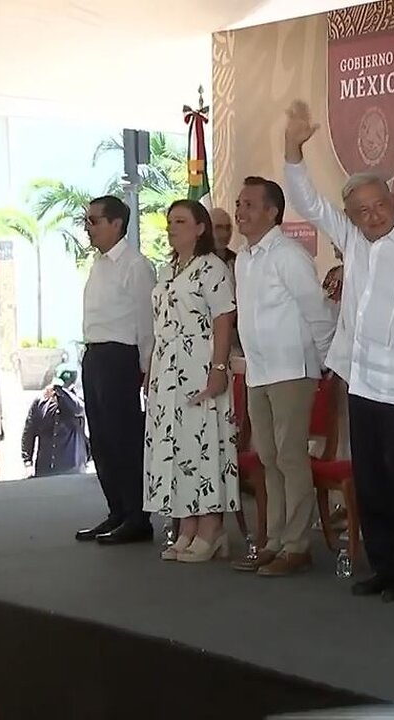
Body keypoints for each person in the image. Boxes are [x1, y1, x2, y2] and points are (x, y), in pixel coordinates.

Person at [283, 100, 394, 602]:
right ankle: (384, 565)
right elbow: (309, 202)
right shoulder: (354, 240)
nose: (371, 216)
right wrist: (293, 149)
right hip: (362, 382)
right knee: (373, 482)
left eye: (378, 206)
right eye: (360, 212)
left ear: (393, 198)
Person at [229, 176, 336, 577]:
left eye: (250, 205)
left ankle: (296, 545)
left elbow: (316, 310)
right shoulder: (243, 257)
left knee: (290, 458)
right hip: (260, 371)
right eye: (239, 204)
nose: (241, 212)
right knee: (269, 458)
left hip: (292, 369)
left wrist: (326, 360)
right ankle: (273, 541)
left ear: (273, 211)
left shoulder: (289, 255)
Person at [144, 199, 240, 563]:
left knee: (203, 443)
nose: (172, 227)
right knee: (177, 446)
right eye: (169, 221)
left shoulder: (211, 267)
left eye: (181, 221)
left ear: (200, 228)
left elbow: (223, 319)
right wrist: (152, 369)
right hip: (167, 370)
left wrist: (218, 369)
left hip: (199, 365)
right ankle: (186, 524)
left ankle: (211, 527)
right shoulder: (167, 270)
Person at [75, 195, 157, 545]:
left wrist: (145, 367)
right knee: (102, 440)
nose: (88, 228)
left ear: (116, 224)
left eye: (94, 221)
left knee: (125, 439)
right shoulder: (98, 265)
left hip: (120, 357)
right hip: (95, 355)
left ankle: (138, 517)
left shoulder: (135, 265)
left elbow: (146, 321)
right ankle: (117, 510)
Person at [21, 369, 88, 477]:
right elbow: (29, 432)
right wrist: (27, 462)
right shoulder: (40, 402)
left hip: (72, 470)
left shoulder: (78, 401)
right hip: (45, 469)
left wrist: (60, 391)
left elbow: (77, 409)